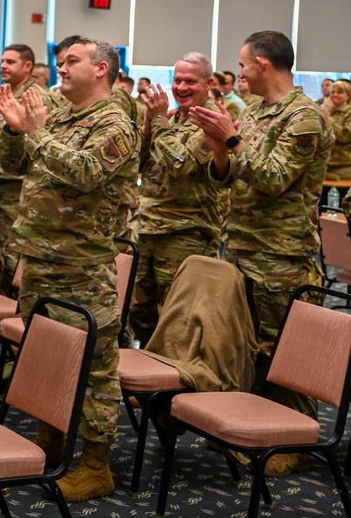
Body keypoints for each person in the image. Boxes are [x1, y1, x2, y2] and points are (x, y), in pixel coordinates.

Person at [0, 37, 138, 503]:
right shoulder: (58, 113)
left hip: (82, 265)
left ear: (101, 69)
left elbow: (84, 172)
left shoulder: (116, 122)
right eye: (59, 61)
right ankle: (48, 442)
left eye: (71, 60)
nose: (61, 67)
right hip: (40, 257)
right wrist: (16, 130)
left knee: (95, 366)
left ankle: (97, 465)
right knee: (44, 357)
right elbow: (12, 165)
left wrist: (36, 133)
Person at [190, 30, 333, 478]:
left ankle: (296, 442)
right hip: (241, 245)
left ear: (264, 63)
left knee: (286, 352)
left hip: (281, 254)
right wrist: (219, 152)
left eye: (244, 64)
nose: (242, 72)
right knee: (248, 346)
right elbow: (229, 177)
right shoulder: (254, 113)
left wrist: (231, 141)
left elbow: (273, 178)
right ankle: (256, 432)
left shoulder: (304, 117)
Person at [129, 53, 223, 346]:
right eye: (177, 80)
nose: (181, 87)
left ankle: (169, 386)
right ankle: (145, 380)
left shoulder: (212, 122)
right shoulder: (171, 120)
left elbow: (180, 165)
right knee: (138, 312)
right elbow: (138, 166)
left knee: (176, 317)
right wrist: (148, 126)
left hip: (184, 233)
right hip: (147, 227)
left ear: (208, 83)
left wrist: (158, 121)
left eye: (190, 81)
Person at [0, 44, 59, 287]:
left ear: (27, 67)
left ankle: (16, 308)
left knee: (13, 251)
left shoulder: (36, 97)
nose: (3, 65)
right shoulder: (7, 93)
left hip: (18, 186)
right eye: (2, 60)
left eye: (10, 62)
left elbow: (30, 136)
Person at [323, 79, 351, 205]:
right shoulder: (326, 111)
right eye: (333, 92)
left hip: (343, 167)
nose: (334, 95)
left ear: (348, 96)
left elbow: (345, 136)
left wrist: (327, 119)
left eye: (339, 92)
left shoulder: (349, 113)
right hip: (325, 164)